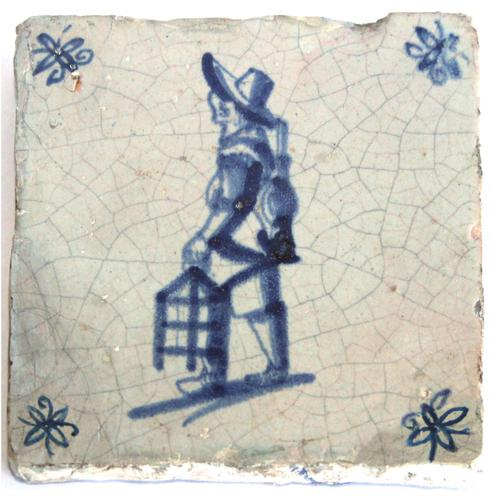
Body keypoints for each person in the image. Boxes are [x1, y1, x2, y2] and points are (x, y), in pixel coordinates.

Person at [181, 53, 299, 391]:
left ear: (240, 112)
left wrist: (203, 237)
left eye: (223, 104)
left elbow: (231, 203)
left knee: (214, 295)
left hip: (237, 242)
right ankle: (275, 368)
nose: (215, 109)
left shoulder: (238, 151)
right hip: (262, 241)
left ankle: (213, 375)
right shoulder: (260, 148)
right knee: (263, 302)